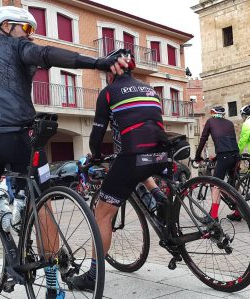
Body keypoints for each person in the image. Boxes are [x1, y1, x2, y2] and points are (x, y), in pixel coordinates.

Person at [0, 6, 128, 299]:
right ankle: (53, 286)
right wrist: (98, 63)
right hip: (21, 137)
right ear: (7, 26)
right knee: (43, 206)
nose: (30, 36)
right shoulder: (18, 46)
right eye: (28, 29)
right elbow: (47, 55)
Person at [67, 49, 169, 291]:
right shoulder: (149, 90)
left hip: (133, 156)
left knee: (102, 215)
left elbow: (97, 134)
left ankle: (93, 276)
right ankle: (158, 196)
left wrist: (96, 155)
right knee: (140, 166)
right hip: (161, 154)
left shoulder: (108, 93)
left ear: (110, 71)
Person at [194, 106, 239, 223]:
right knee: (233, 184)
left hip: (224, 156)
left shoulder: (210, 121)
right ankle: (238, 211)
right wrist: (216, 156)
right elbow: (229, 141)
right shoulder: (229, 123)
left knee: (216, 185)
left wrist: (197, 156)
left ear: (213, 113)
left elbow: (203, 139)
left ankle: (213, 216)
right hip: (235, 155)